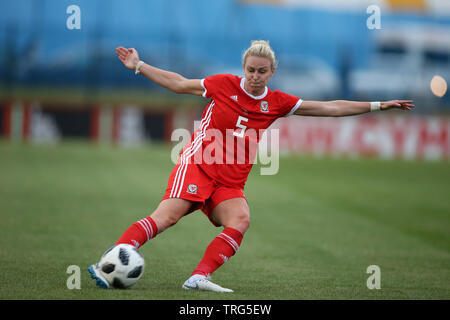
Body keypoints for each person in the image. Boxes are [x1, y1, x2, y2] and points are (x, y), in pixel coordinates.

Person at [89, 40, 414, 292]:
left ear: (272, 72)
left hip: (230, 181)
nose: (255, 76)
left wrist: (378, 105)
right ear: (243, 68)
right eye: (251, 70)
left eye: (262, 71)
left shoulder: (278, 102)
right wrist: (139, 65)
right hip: (199, 164)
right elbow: (179, 83)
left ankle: (199, 277)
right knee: (166, 218)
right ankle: (108, 263)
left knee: (240, 219)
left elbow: (329, 107)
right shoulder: (223, 84)